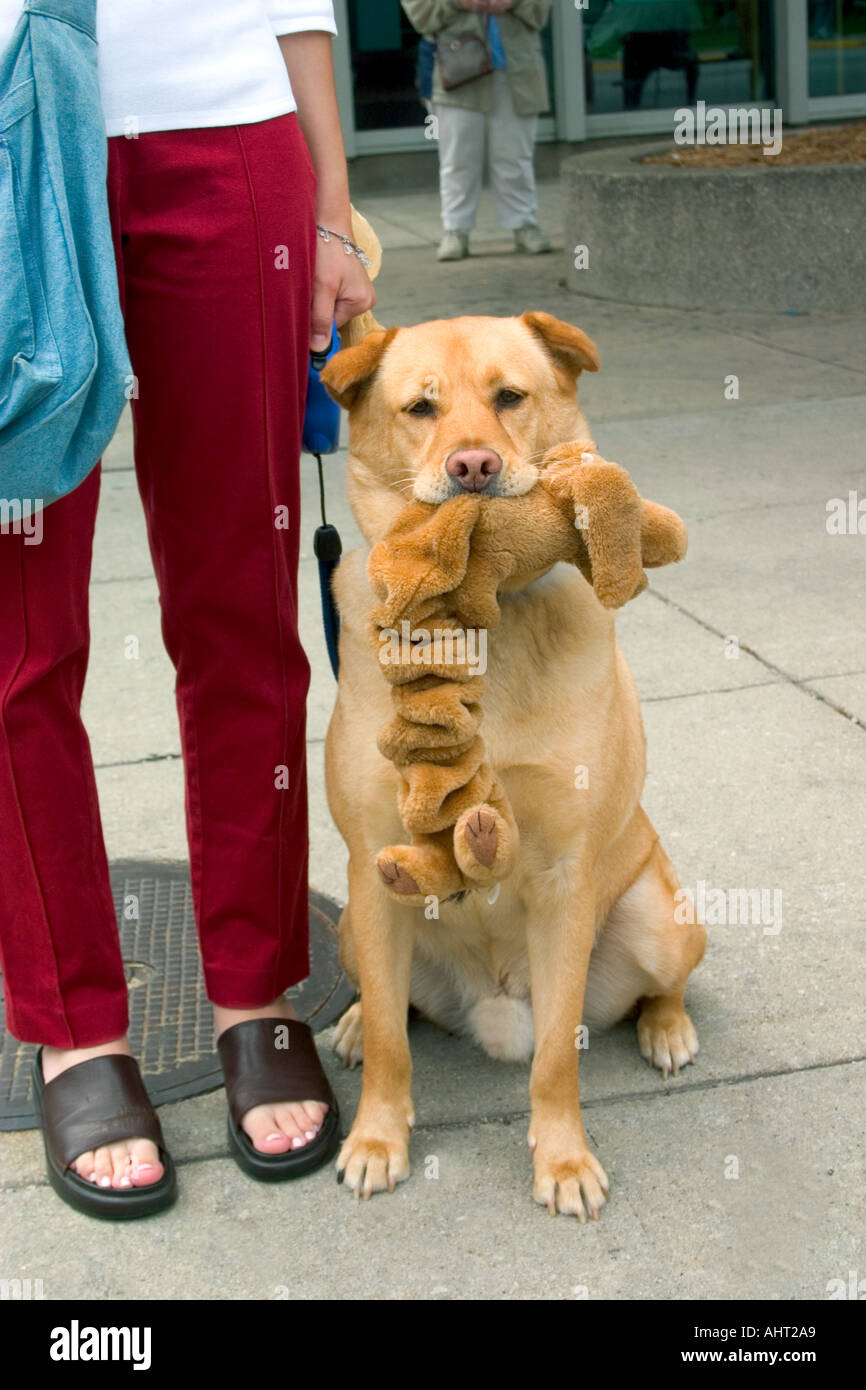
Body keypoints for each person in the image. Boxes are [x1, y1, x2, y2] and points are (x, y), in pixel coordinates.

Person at [0, 0, 375, 1218]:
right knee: (19, 642)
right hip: (17, 149)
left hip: (226, 134)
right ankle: (74, 1031)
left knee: (242, 609)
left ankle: (256, 993)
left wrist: (329, 203)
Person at [402, 0, 554, 261]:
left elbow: (541, 12)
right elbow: (420, 14)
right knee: (458, 158)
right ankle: (455, 230)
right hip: (455, 68)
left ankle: (524, 224)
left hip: (516, 68)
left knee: (515, 156)